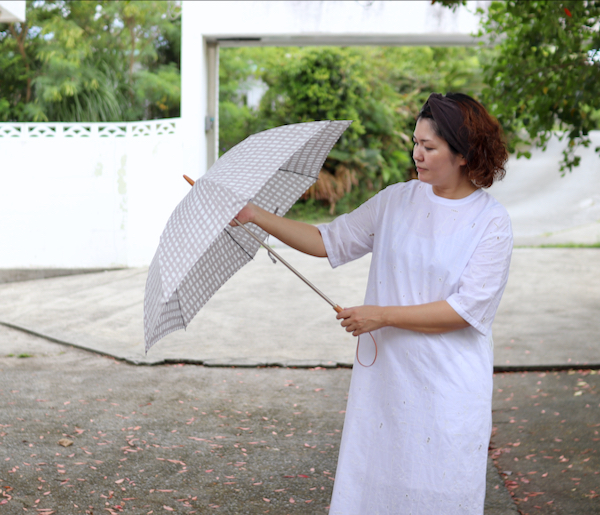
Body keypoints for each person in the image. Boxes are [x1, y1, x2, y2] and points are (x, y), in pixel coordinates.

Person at [234, 92, 512, 514]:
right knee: (376, 492)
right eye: (415, 142)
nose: (416, 154)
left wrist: (380, 315)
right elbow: (328, 240)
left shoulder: (491, 222)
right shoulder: (395, 201)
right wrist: (255, 215)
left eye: (429, 147)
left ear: (463, 154)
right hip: (385, 384)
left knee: (442, 493)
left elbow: (465, 311)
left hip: (449, 388)